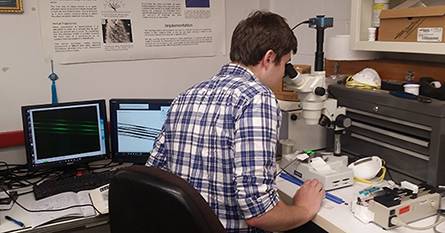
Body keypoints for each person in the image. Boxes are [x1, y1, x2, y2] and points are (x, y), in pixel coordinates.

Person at [146, 10, 324, 233]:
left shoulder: (187, 95)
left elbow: (154, 173)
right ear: (269, 58)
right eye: (285, 64)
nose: (283, 76)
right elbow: (260, 214)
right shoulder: (258, 97)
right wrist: (304, 208)